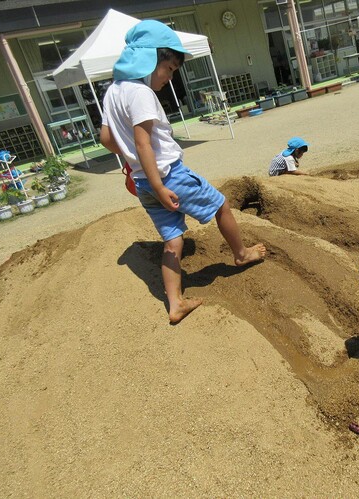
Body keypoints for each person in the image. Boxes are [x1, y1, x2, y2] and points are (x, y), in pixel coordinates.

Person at [99, 20, 266, 324]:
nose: (170, 77)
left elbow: (107, 139)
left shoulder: (113, 91)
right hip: (167, 176)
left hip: (142, 182)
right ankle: (241, 254)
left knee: (173, 241)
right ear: (151, 58)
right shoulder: (140, 93)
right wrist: (160, 184)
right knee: (220, 204)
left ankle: (175, 303)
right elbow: (143, 142)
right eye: (170, 69)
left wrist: (135, 165)